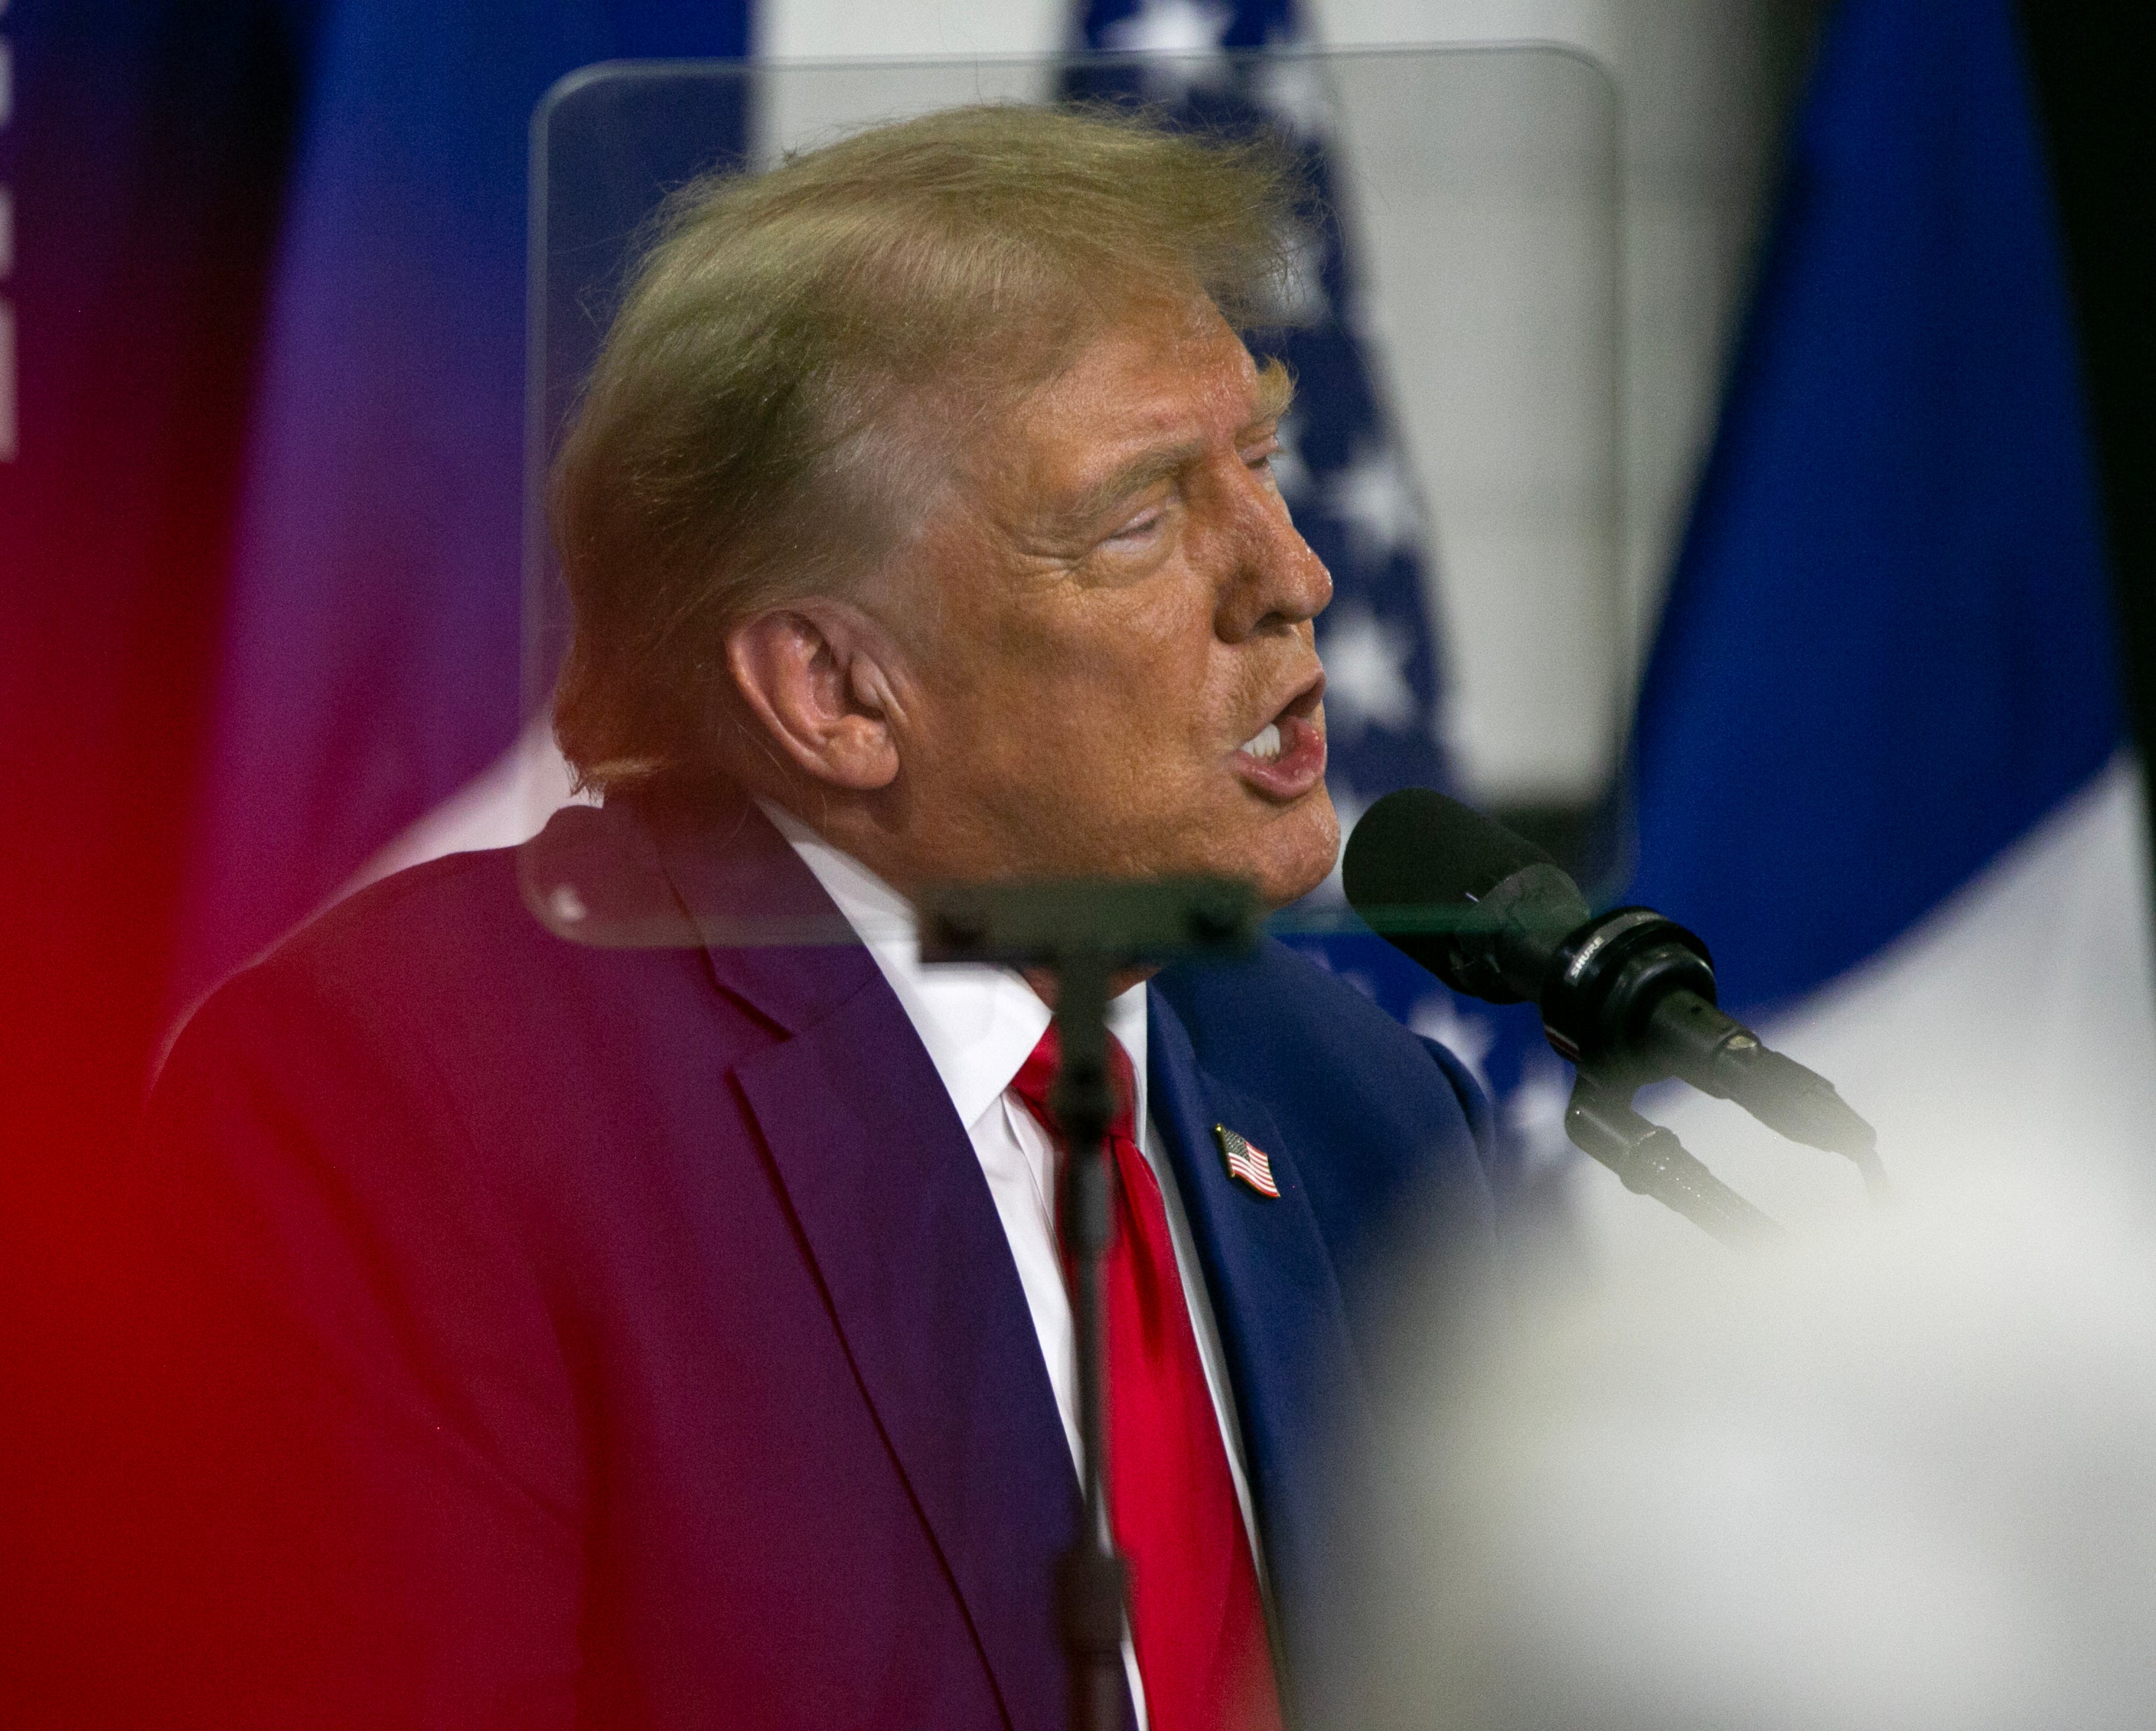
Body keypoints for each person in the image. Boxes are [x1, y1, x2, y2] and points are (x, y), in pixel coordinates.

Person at [147, 102, 1497, 1730]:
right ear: (836, 687)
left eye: (1260, 468)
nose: (1292, 578)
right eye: (1141, 518)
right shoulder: (421, 1105)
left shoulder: (1366, 1109)